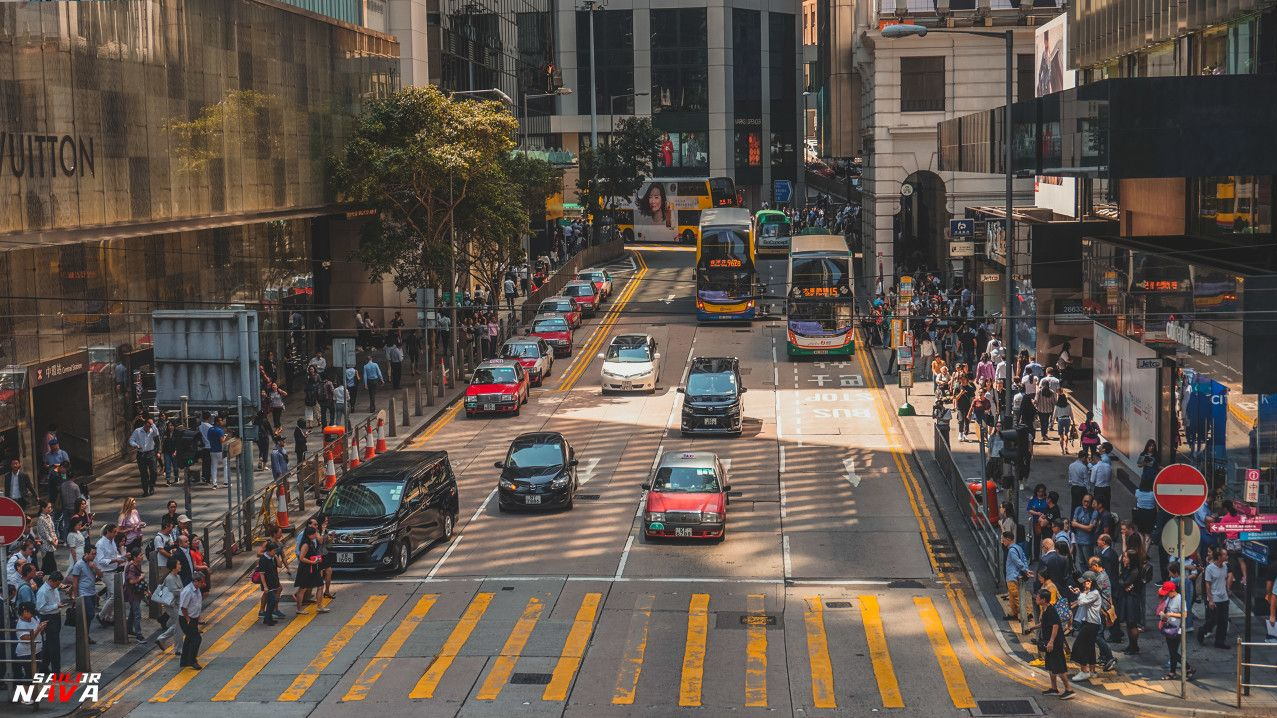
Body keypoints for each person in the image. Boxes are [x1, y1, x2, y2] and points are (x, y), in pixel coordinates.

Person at [1035, 588, 1074, 699]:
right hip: (1049, 643)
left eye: (1038, 597)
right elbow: (1044, 624)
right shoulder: (1046, 609)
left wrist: (1051, 641)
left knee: (1058, 666)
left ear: (1043, 599)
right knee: (1051, 666)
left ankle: (1069, 690)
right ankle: (1054, 688)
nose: (1036, 598)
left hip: (1055, 643)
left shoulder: (1051, 610)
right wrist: (1032, 628)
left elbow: (1056, 625)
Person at [1069, 572, 1104, 682]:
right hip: (1091, 623)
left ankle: (1084, 671)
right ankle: (1092, 671)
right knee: (1090, 647)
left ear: (1090, 582)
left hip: (1091, 624)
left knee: (1079, 646)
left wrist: (1079, 594)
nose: (1083, 584)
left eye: (1085, 582)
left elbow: (1082, 601)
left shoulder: (1094, 593)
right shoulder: (1091, 592)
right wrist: (1080, 592)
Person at [1157, 580, 1195, 680]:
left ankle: (1188, 668)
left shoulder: (1180, 599)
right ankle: (1172, 672)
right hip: (1168, 627)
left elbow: (1185, 614)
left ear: (1173, 590)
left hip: (1177, 629)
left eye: (1168, 592)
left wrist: (1171, 614)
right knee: (1171, 652)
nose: (1167, 595)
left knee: (1174, 652)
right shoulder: (1169, 598)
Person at [1199, 548, 1232, 648]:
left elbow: (1225, 579)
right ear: (1219, 557)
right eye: (1225, 555)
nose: (1227, 557)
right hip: (1215, 598)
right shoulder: (1210, 568)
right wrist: (1210, 600)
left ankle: (1220, 641)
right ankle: (1201, 633)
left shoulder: (1225, 566)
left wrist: (1227, 590)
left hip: (1224, 598)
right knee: (1213, 620)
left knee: (1223, 621)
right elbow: (1207, 585)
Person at [95, 524, 126, 626]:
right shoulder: (100, 544)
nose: (115, 534)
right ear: (108, 532)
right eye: (114, 532)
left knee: (111, 595)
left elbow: (114, 554)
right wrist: (114, 560)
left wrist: (122, 557)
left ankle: (108, 617)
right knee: (115, 594)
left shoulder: (112, 541)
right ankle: (101, 615)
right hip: (106, 572)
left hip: (114, 570)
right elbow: (100, 560)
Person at [13, 602, 47, 696]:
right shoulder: (21, 625)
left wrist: (41, 627)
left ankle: (33, 693)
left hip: (37, 650)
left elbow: (37, 629)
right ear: (24, 612)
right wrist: (38, 630)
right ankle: (24, 696)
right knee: (29, 675)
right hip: (26, 653)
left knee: (35, 673)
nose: (32, 614)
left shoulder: (32, 618)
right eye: (30, 612)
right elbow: (27, 639)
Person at [66, 545, 100, 636]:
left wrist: (95, 568)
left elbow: (101, 575)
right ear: (86, 553)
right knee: (90, 614)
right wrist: (76, 596)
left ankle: (86, 635)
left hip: (92, 592)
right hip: (84, 593)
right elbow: (75, 582)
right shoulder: (79, 565)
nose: (94, 556)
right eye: (92, 554)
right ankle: (83, 633)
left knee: (89, 616)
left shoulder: (94, 563)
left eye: (95, 554)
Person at [36, 571, 64, 673]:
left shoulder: (54, 588)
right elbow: (40, 608)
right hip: (49, 618)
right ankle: (56, 671)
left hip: (56, 617)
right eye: (57, 584)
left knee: (48, 644)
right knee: (54, 646)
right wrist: (56, 606)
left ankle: (43, 667)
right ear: (51, 581)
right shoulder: (43, 591)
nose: (57, 586)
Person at [292, 526, 325, 614]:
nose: (315, 535)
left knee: (320, 585)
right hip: (306, 569)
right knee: (302, 589)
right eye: (314, 534)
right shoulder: (306, 544)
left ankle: (319, 606)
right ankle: (299, 609)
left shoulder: (311, 542)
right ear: (309, 535)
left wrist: (316, 559)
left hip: (313, 567)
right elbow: (302, 558)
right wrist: (312, 562)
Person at [179, 571, 206, 669]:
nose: (203, 584)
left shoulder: (197, 589)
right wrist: (188, 619)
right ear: (195, 581)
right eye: (201, 582)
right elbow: (183, 607)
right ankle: (192, 660)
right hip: (186, 619)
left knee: (189, 639)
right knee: (196, 639)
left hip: (193, 619)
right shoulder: (187, 591)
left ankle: (184, 660)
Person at [154, 560, 184, 653]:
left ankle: (161, 639)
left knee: (177, 625)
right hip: (172, 605)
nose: (180, 565)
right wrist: (183, 591)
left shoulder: (177, 576)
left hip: (178, 604)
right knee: (179, 626)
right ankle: (178, 649)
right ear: (174, 566)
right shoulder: (170, 578)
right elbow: (174, 592)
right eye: (178, 564)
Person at [129, 418, 161, 496]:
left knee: (154, 471)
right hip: (141, 454)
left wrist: (152, 424)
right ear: (144, 425)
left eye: (150, 426)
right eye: (147, 426)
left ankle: (152, 486)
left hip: (151, 453)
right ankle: (145, 490)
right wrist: (136, 445)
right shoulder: (138, 431)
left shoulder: (152, 431)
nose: (148, 428)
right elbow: (131, 440)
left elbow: (157, 433)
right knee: (144, 474)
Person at [1003, 531, 1029, 620]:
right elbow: (1024, 559)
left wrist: (1025, 570)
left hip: (1012, 576)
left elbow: (1017, 562)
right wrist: (1026, 568)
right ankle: (1013, 613)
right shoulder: (1019, 547)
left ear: (1008, 539)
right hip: (1015, 576)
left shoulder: (1011, 551)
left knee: (1016, 597)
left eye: (1003, 539)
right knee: (1011, 597)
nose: (1002, 541)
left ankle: (1026, 614)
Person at [258, 541, 286, 626]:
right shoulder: (263, 559)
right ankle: (267, 618)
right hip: (268, 584)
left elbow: (280, 565)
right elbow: (261, 574)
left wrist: (276, 557)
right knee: (273, 600)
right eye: (274, 551)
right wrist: (265, 587)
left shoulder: (272, 557)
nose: (275, 552)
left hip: (274, 582)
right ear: (269, 551)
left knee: (271, 601)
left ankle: (268, 618)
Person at [123, 549, 147, 642]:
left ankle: (129, 629)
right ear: (134, 557)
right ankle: (139, 635)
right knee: (137, 614)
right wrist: (141, 577)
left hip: (137, 592)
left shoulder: (138, 564)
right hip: (132, 593)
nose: (142, 557)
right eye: (140, 555)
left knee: (133, 612)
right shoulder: (132, 567)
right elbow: (131, 581)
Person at [33, 500, 58, 573]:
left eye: (50, 507)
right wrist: (53, 543)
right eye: (48, 507)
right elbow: (45, 534)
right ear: (43, 508)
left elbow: (53, 529)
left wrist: (56, 539)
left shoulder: (49, 517)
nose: (50, 509)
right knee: (49, 566)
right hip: (46, 546)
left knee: (49, 566)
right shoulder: (41, 519)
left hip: (52, 544)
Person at [1090, 442, 1114, 511]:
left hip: (1100, 487)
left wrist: (1090, 465)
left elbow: (1100, 473)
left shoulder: (1104, 460)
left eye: (1101, 446)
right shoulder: (1104, 458)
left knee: (1100, 506)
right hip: (1106, 487)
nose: (1099, 447)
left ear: (1104, 449)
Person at [207, 416, 226, 490]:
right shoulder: (219, 430)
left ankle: (214, 484)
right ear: (217, 422)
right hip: (220, 450)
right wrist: (225, 437)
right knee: (226, 465)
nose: (222, 422)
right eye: (221, 420)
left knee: (214, 467)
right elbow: (222, 441)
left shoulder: (210, 429)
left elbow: (208, 438)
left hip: (212, 450)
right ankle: (226, 482)